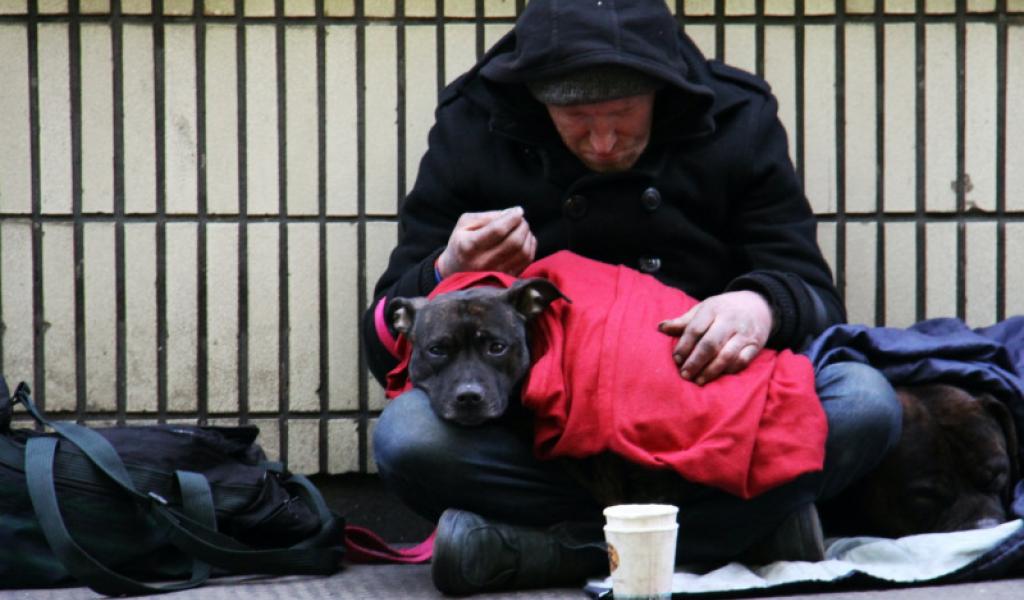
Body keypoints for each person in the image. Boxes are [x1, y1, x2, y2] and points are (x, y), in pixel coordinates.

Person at [363, 0, 902, 594]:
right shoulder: (476, 122)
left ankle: (542, 552)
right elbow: (386, 332)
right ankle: (738, 533)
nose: (601, 140)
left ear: (661, 91)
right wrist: (448, 267)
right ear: (538, 101)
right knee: (408, 437)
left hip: (706, 406)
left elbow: (812, 292)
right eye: (573, 117)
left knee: (866, 402)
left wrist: (757, 306)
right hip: (544, 432)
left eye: (622, 113)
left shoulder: (738, 116)